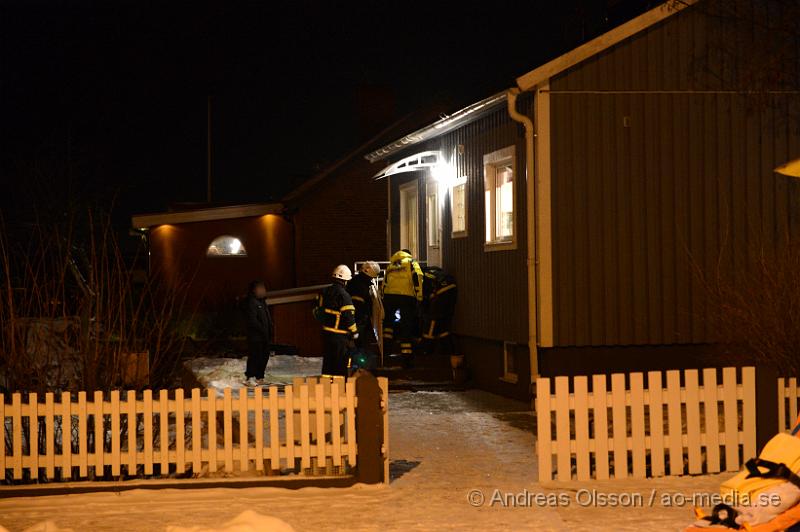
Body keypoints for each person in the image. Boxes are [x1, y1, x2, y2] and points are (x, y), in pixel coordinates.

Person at [314, 265, 358, 376]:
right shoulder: (344, 295)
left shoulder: (324, 292)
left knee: (328, 362)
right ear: (345, 281)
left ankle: (327, 386)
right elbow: (348, 316)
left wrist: (324, 322)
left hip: (326, 333)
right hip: (340, 336)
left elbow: (316, 311)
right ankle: (339, 388)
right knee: (340, 363)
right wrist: (355, 332)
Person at [382, 249, 423, 360]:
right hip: (406, 296)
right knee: (406, 323)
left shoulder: (391, 265)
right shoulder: (411, 262)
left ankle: (386, 348)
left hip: (390, 296)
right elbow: (417, 278)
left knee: (388, 324)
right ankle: (406, 354)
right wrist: (419, 296)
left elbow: (384, 282)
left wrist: (383, 296)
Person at [346, 261, 381, 351]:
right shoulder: (360, 285)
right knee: (359, 343)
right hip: (358, 319)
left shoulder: (356, 281)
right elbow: (358, 304)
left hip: (357, 318)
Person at [244, 280, 273, 386]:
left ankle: (259, 377)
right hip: (255, 337)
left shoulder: (262, 302)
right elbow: (252, 320)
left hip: (265, 336)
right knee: (255, 356)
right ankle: (250, 377)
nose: (263, 291)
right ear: (254, 290)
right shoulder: (251, 302)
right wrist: (262, 330)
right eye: (260, 289)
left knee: (264, 356)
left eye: (263, 288)